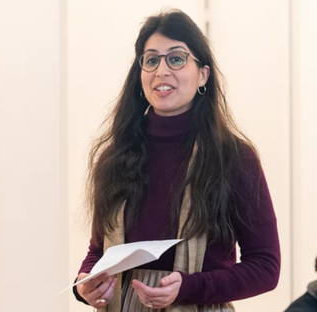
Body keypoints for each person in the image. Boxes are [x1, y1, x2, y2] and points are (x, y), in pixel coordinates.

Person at [72, 9, 280, 311]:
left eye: (177, 58)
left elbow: (265, 267)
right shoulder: (115, 156)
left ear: (202, 75)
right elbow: (98, 252)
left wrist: (191, 287)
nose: (161, 71)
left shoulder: (233, 157)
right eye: (151, 59)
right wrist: (86, 284)